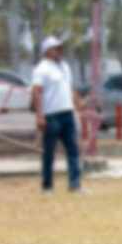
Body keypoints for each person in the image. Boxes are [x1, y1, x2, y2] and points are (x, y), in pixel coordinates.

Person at [31, 36, 86, 193]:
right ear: (47, 51)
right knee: (49, 152)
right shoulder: (42, 68)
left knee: (73, 149)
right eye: (56, 48)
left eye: (61, 48)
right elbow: (36, 92)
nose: (60, 51)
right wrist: (40, 116)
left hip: (67, 113)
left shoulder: (64, 66)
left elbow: (70, 88)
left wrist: (78, 104)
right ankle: (47, 186)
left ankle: (75, 184)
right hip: (51, 115)